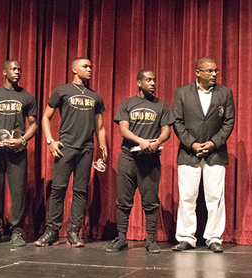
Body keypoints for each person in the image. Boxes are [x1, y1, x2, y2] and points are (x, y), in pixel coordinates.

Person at [35, 58, 107, 247]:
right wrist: (50, 141)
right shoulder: (62, 91)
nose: (89, 69)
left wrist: (102, 147)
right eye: (85, 66)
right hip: (65, 147)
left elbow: (100, 126)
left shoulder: (95, 96)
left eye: (91, 66)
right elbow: (45, 117)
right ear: (74, 69)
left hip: (86, 149)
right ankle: (52, 231)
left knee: (80, 191)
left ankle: (74, 232)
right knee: (58, 189)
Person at [172, 57, 236, 253]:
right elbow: (177, 122)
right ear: (197, 72)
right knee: (187, 197)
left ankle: (214, 237)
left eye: (215, 70)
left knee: (215, 197)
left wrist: (214, 143)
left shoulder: (225, 93)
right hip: (188, 153)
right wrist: (191, 143)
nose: (214, 74)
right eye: (209, 71)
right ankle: (186, 237)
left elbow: (229, 122)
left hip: (215, 153)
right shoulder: (182, 93)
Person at [106, 70, 174, 253]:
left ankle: (151, 240)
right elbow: (124, 130)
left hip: (150, 160)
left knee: (150, 201)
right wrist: (140, 141)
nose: (153, 83)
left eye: (154, 80)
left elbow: (166, 131)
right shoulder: (127, 104)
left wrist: (157, 142)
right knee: (124, 201)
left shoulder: (162, 106)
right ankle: (121, 238)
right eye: (148, 80)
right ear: (138, 82)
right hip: (128, 158)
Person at [0, 60, 38, 247]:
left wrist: (23, 140)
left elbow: (34, 124)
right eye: (13, 69)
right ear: (4, 72)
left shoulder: (27, 97)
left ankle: (16, 232)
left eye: (19, 69)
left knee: (18, 192)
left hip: (17, 152)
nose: (17, 72)